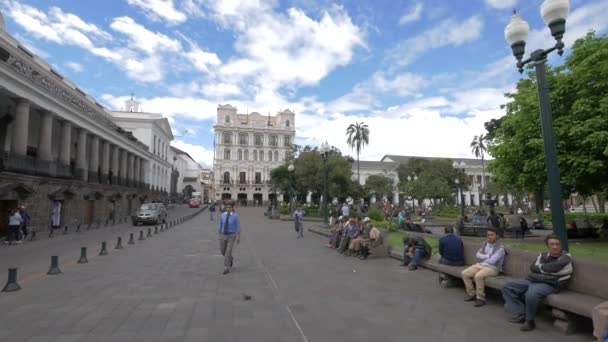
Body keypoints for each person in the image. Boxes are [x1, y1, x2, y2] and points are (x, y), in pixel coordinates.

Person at [502, 235, 573, 332]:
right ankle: (520, 313)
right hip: (534, 280)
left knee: (531, 294)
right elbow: (533, 268)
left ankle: (529, 321)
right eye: (552, 244)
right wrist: (547, 270)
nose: (555, 247)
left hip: (550, 284)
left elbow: (555, 268)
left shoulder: (566, 257)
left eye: (557, 244)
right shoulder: (542, 255)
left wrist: (541, 268)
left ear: (561, 245)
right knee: (508, 287)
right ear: (548, 246)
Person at [461, 228, 505, 307]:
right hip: (481, 265)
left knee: (478, 276)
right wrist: (487, 256)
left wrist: (483, 257)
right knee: (464, 273)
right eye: (488, 235)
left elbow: (492, 261)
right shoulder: (485, 244)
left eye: (492, 235)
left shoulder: (500, 248)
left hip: (493, 268)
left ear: (497, 236)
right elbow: (477, 255)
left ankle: (480, 298)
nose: (489, 237)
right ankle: (472, 294)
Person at [217, 202, 241, 275]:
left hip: (231, 236)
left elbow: (238, 226)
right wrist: (219, 234)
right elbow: (220, 225)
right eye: (227, 207)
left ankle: (227, 267)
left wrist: (238, 237)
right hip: (223, 235)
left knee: (228, 252)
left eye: (230, 207)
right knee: (222, 251)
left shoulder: (235, 216)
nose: (228, 208)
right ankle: (230, 258)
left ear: (232, 208)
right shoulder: (222, 215)